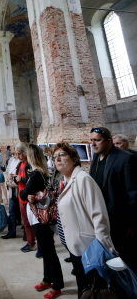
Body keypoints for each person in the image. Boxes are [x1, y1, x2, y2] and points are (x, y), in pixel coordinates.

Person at [54, 142, 116, 296]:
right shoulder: (66, 180)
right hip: (75, 247)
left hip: (89, 248)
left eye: (62, 154)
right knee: (84, 290)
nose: (57, 159)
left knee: (94, 291)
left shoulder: (83, 179)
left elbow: (99, 215)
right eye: (55, 156)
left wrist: (102, 249)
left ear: (74, 159)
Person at [89, 127, 137, 272]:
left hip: (120, 219)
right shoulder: (96, 157)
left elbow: (133, 193)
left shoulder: (126, 158)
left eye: (97, 140)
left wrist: (131, 222)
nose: (93, 144)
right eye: (91, 140)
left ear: (109, 141)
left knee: (126, 260)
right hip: (101, 218)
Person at [22, 144, 63, 299]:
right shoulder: (40, 172)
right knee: (45, 249)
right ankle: (47, 278)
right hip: (37, 216)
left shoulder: (37, 174)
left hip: (40, 217)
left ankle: (57, 285)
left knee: (49, 251)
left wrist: (24, 193)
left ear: (31, 157)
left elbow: (24, 193)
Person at [13, 142, 35, 252]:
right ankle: (30, 242)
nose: (17, 156)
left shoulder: (29, 164)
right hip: (21, 196)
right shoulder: (19, 164)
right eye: (16, 154)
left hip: (29, 198)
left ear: (24, 152)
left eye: (19, 154)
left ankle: (39, 245)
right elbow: (18, 179)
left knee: (34, 223)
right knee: (26, 222)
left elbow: (32, 182)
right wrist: (14, 178)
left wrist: (21, 179)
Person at [1, 147, 20, 239]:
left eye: (17, 153)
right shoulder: (11, 160)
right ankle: (11, 232)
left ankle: (28, 235)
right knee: (11, 211)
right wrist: (7, 180)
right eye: (14, 153)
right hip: (12, 189)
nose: (15, 155)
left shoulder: (23, 161)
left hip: (19, 189)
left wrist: (15, 184)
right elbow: (7, 171)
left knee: (21, 212)